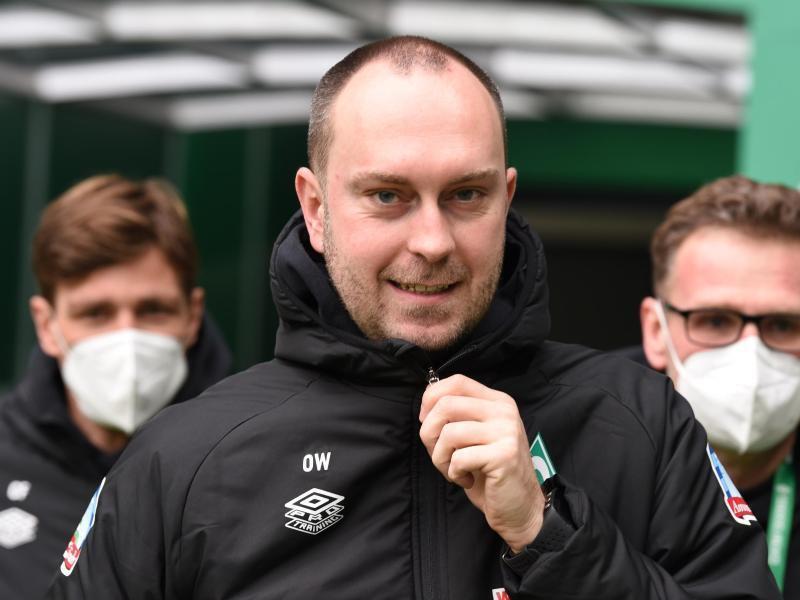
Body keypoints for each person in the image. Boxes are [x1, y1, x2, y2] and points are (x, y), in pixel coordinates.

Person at [47, 37, 779, 599]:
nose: (431, 242)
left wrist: (547, 532)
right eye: (388, 196)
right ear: (316, 207)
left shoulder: (641, 423)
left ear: (507, 196)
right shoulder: (184, 459)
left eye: (466, 195)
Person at [0, 175, 232, 598]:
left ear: (192, 316)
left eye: (153, 310)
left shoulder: (254, 457)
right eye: (95, 313)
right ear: (47, 325)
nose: (127, 338)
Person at [637, 175, 800, 597]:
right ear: (656, 331)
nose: (751, 352)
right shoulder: (572, 456)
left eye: (783, 325)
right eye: (714, 320)